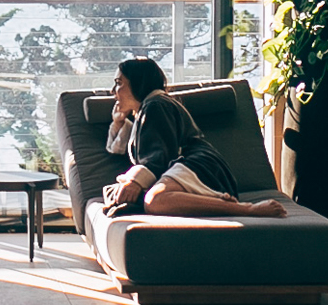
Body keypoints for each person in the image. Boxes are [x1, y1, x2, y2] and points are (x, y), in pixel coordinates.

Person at [101, 57, 286, 218]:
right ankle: (213, 199)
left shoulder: (156, 105)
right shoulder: (147, 110)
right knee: (124, 195)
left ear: (138, 82)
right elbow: (124, 148)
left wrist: (134, 182)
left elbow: (159, 156)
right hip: (192, 168)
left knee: (154, 201)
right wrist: (119, 123)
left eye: (119, 83)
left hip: (198, 165)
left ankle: (246, 209)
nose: (113, 91)